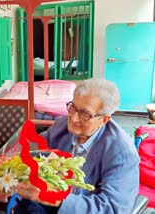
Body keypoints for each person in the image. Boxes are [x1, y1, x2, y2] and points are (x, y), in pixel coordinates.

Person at [14, 78, 140, 213]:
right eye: (73, 107)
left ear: (104, 120)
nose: (73, 118)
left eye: (85, 114)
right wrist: (3, 161)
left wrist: (57, 199)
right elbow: (35, 148)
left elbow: (112, 208)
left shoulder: (122, 153)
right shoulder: (62, 125)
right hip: (49, 204)